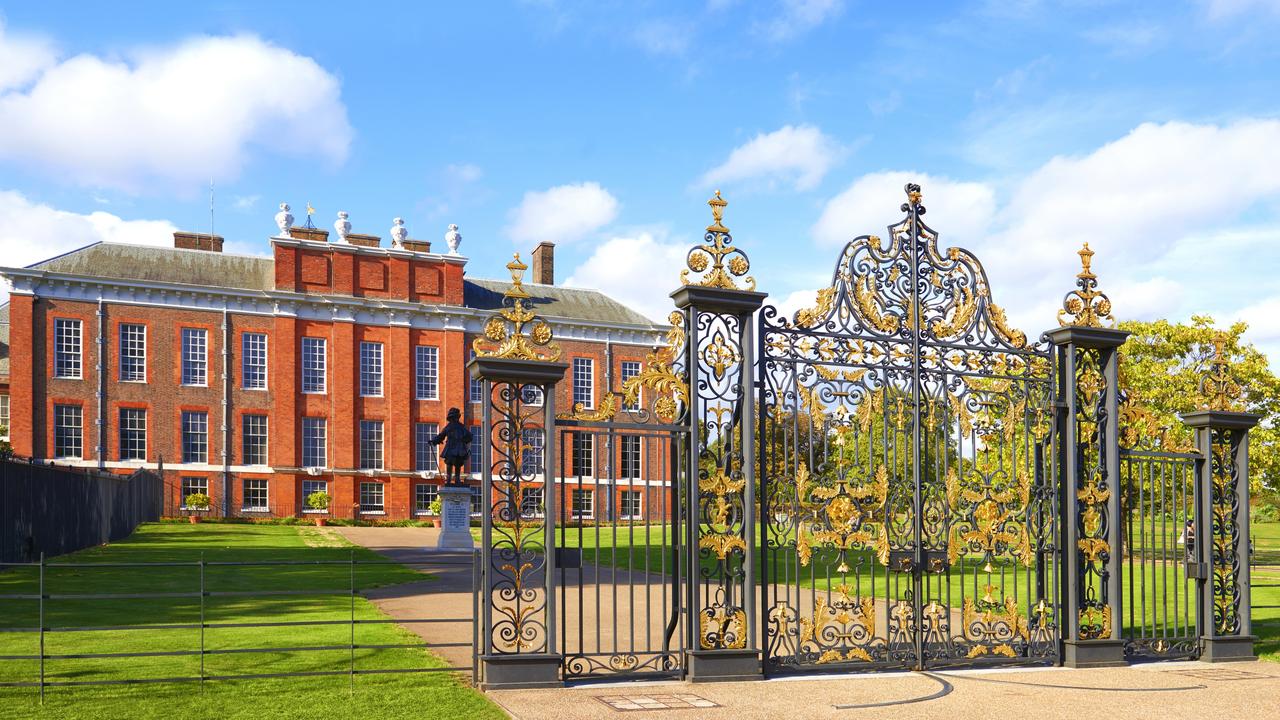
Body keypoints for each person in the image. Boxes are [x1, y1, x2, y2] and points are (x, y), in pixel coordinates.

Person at [432, 408, 473, 486]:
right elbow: (441, 435)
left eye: (455, 417)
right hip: (452, 448)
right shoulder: (450, 427)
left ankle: (456, 480)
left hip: (457, 449)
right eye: (453, 418)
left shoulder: (460, 427)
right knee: (450, 464)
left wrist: (464, 440)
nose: (454, 419)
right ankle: (449, 480)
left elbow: (469, 436)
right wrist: (434, 440)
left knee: (457, 464)